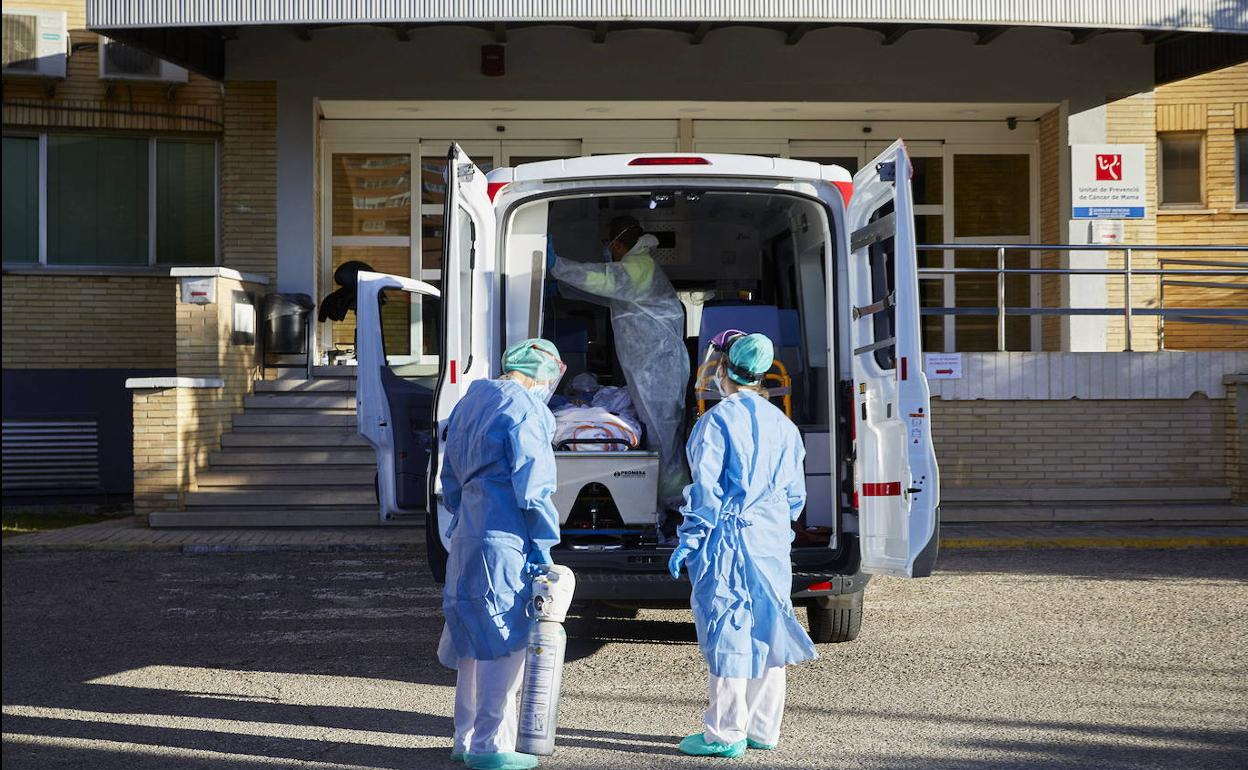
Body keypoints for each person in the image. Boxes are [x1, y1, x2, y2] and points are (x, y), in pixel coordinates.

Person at [668, 332, 818, 758]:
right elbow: (795, 498)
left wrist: (690, 538)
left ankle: (725, 733)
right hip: (770, 542)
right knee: (770, 630)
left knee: (729, 631)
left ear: (722, 370)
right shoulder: (784, 426)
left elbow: (706, 493)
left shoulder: (714, 422)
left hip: (728, 542)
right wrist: (771, 528)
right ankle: (763, 729)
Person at [438, 338, 566, 770]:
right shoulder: (527, 409)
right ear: (543, 371)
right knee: (504, 638)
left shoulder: (470, 402)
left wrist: (467, 514)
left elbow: (449, 477)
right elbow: (534, 488)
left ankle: (464, 736)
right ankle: (492, 746)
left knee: (471, 638)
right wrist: (545, 545)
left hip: (467, 533)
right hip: (505, 535)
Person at [547, 215, 691, 508]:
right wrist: (560, 285)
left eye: (607, 244)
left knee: (664, 438)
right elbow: (604, 292)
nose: (607, 250)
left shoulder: (638, 267)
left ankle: (673, 503)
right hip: (651, 368)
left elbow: (604, 280)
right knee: (659, 434)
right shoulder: (636, 271)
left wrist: (557, 266)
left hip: (658, 369)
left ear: (617, 243)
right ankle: (662, 500)